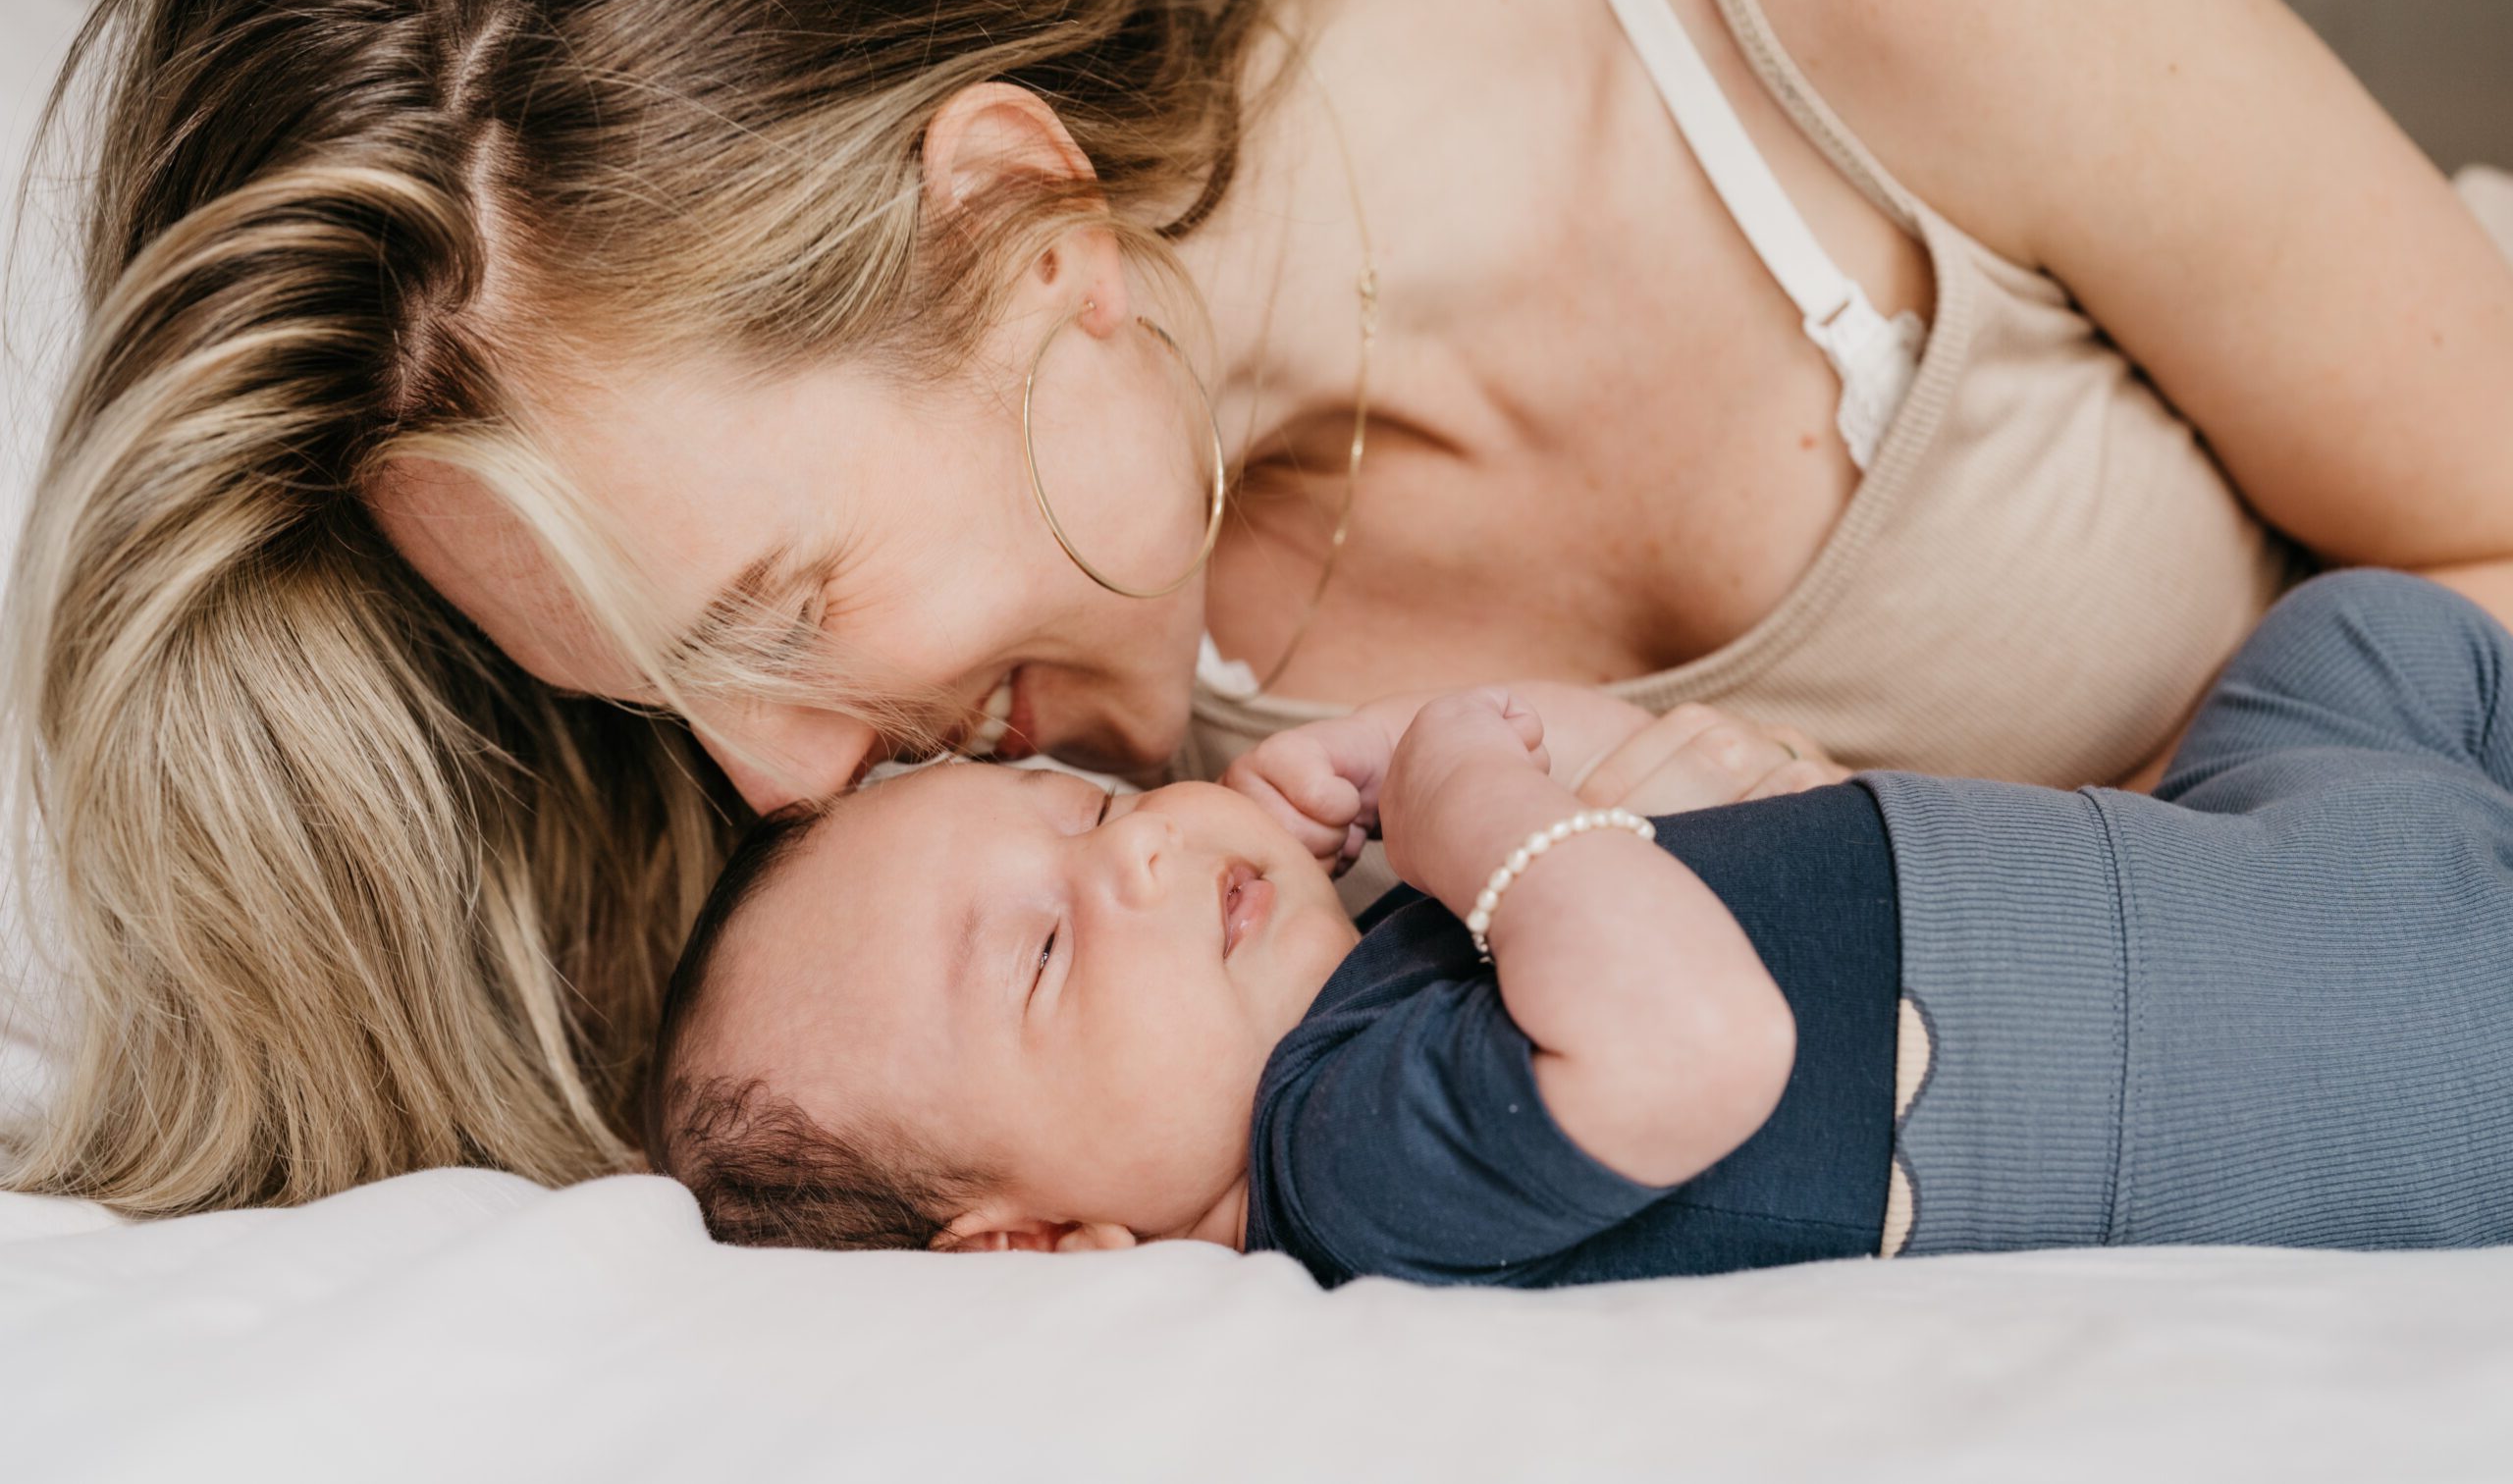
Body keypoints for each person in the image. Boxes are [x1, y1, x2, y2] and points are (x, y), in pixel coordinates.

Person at [9, 0, 2512, 1216]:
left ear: (1016, 222)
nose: (770, 780)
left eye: (777, 612)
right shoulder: (1039, 879)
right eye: (670, 687)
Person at [647, 572, 2513, 1284]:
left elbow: (1665, 813)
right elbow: (1694, 1044)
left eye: (1109, 808)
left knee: (2365, 635)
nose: (1138, 862)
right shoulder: (1348, 1156)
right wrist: (1473, 791)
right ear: (1035, 1234)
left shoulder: (1376, 972)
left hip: (2216, 858)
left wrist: (1484, 770)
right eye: (1045, 953)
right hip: (2326, 1029)